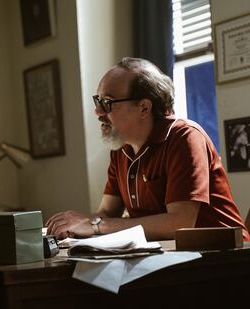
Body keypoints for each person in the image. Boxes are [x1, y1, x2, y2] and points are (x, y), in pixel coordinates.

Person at [46, 57, 249, 241]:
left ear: (144, 107)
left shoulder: (185, 138)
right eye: (98, 101)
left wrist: (95, 225)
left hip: (225, 260)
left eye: (107, 102)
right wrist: (72, 226)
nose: (97, 111)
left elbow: (180, 223)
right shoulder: (121, 148)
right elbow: (107, 214)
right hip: (168, 259)